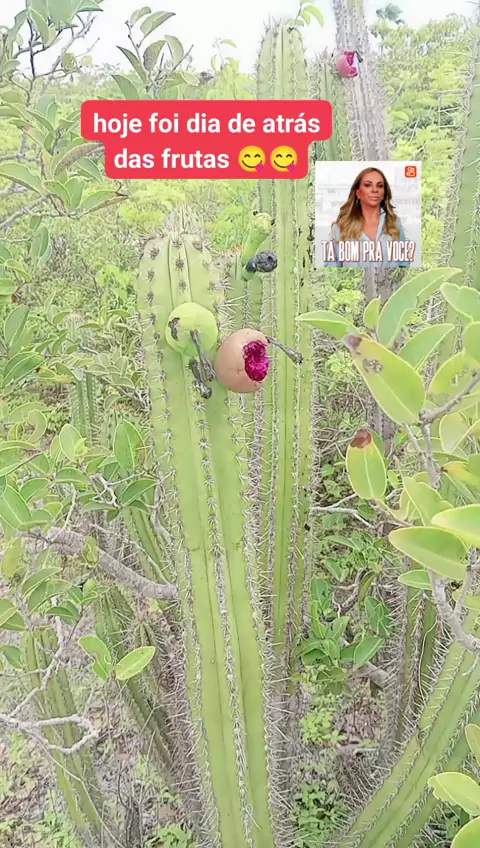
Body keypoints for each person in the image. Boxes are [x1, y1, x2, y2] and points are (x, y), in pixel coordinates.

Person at [324, 167, 410, 268]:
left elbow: (404, 264)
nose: (375, 190)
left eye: (380, 186)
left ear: (384, 192)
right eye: (368, 185)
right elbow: (331, 269)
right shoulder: (341, 228)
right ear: (358, 192)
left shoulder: (394, 223)